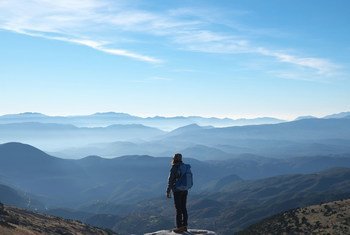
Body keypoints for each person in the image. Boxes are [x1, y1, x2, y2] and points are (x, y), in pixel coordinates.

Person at [166, 153, 188, 233]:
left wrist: (168, 191)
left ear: (174, 159)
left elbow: (170, 180)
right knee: (184, 208)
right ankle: (185, 226)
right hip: (185, 190)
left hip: (177, 191)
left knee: (178, 209)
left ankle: (179, 228)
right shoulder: (185, 166)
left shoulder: (174, 167)